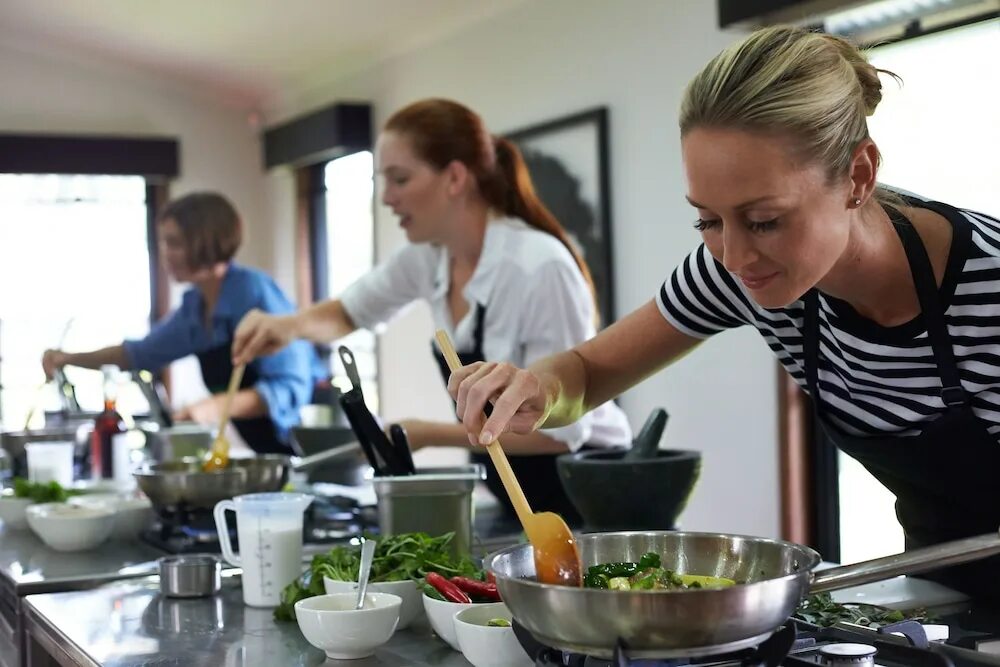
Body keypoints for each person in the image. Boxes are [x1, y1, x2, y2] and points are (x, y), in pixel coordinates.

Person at [445, 26, 1000, 599]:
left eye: (764, 220)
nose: (734, 257)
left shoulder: (989, 288)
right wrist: (536, 389)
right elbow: (587, 374)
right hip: (943, 588)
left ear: (858, 176)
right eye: (707, 220)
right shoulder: (735, 271)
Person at [231, 98, 632, 523]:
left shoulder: (539, 267)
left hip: (590, 492)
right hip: (517, 491)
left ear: (455, 177)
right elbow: (349, 312)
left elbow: (563, 434)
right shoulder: (427, 258)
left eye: (399, 179)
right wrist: (287, 326)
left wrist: (425, 434)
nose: (386, 198)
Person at [42, 191, 327, 455]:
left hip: (310, 448)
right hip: (267, 450)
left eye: (174, 243)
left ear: (205, 241)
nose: (165, 253)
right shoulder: (196, 307)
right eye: (164, 242)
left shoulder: (253, 292)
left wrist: (215, 407)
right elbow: (136, 354)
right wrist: (66, 358)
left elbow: (290, 386)